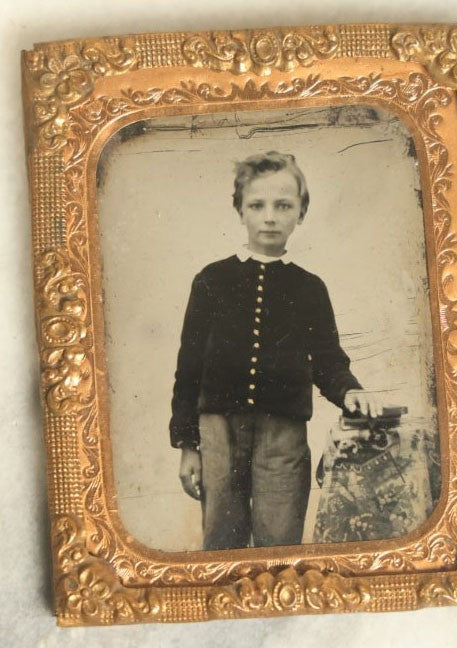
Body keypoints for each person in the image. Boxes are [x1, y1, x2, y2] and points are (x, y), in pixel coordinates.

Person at [169, 150, 381, 550]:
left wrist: (351, 390)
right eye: (257, 205)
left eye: (283, 205)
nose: (270, 217)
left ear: (301, 213)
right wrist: (187, 446)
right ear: (240, 210)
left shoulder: (309, 288)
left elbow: (328, 360)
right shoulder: (211, 280)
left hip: (283, 436)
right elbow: (188, 368)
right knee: (221, 543)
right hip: (218, 433)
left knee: (280, 544)